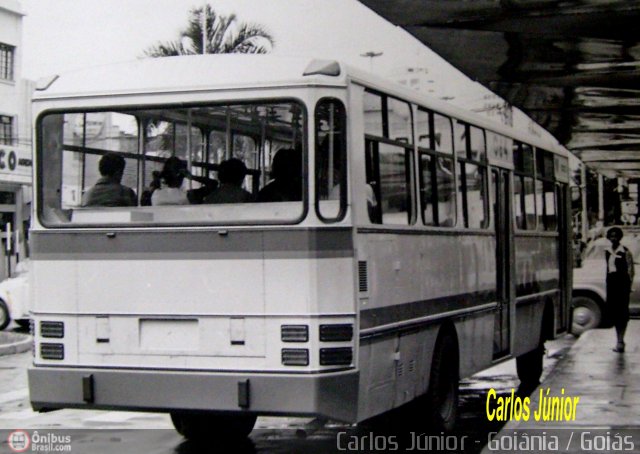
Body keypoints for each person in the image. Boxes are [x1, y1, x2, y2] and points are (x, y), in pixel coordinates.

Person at [605, 226, 635, 353]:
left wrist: (629, 286)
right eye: (611, 236)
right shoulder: (607, 251)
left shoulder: (625, 252)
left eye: (616, 236)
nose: (614, 238)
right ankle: (618, 340)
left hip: (622, 285)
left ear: (620, 237)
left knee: (622, 314)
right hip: (612, 285)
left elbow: (631, 271)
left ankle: (621, 341)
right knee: (615, 313)